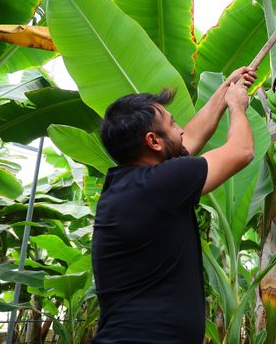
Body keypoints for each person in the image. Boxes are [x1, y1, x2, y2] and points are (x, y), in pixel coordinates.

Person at [91, 67, 257, 343]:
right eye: (173, 123)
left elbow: (187, 140)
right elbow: (242, 150)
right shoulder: (162, 183)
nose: (181, 130)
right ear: (153, 141)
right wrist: (236, 106)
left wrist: (224, 90)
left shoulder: (132, 184)